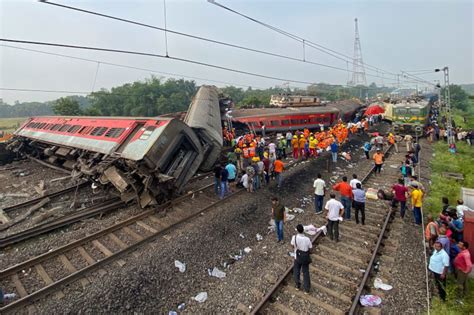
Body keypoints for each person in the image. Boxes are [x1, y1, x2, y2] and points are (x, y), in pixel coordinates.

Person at [291, 224, 312, 294]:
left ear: (297, 230)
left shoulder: (294, 237)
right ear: (303, 230)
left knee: (296, 271)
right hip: (305, 258)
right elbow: (310, 248)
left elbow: (292, 245)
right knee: (306, 273)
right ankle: (307, 289)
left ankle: (297, 285)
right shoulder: (307, 239)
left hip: (297, 257)